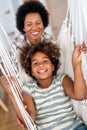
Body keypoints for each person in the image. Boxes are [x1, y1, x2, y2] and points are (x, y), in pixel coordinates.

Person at [18, 41, 87, 130]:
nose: (41, 65)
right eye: (35, 63)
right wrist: (11, 93)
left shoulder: (62, 80)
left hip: (75, 127)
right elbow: (29, 121)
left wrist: (76, 64)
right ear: (31, 71)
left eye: (45, 61)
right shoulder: (28, 89)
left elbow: (81, 95)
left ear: (53, 66)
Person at [11, 0, 56, 85]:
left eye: (38, 23)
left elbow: (56, 65)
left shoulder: (49, 40)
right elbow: (17, 75)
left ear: (43, 24)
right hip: (28, 83)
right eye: (29, 24)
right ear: (23, 28)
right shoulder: (17, 46)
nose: (34, 28)